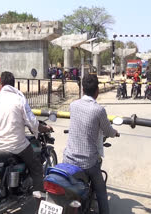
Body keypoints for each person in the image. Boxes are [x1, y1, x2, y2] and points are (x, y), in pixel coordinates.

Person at [63, 74, 119, 214]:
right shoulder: (99, 110)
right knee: (101, 191)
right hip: (88, 163)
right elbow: (108, 131)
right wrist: (115, 133)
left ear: (82, 89)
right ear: (97, 91)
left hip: (68, 159)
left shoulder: (73, 105)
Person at [0, 71, 53, 192]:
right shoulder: (19, 99)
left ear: (0, 84)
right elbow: (32, 123)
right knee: (37, 167)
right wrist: (44, 128)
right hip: (17, 145)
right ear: (13, 84)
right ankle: (39, 201)